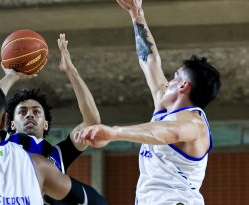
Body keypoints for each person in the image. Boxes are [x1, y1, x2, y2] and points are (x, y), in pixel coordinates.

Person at [74, 0, 222, 204]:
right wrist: (137, 15)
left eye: (174, 77)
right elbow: (150, 61)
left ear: (183, 86)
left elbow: (173, 132)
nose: (167, 81)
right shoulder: (164, 108)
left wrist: (115, 132)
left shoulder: (194, 123)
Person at [0, 34, 105, 204]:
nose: (30, 115)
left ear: (45, 123)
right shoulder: (2, 142)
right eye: (22, 112)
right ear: (11, 123)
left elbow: (92, 123)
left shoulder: (58, 154)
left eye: (36, 112)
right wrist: (12, 76)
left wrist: (72, 72)